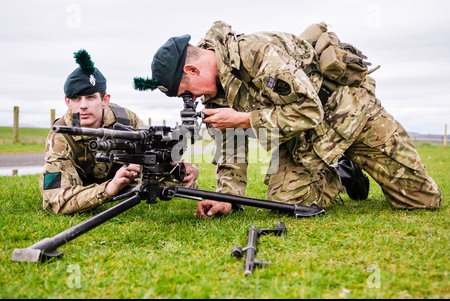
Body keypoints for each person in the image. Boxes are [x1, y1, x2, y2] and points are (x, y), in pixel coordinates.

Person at [134, 21, 441, 218]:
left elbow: (310, 110)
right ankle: (342, 171)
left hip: (349, 114)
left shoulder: (257, 53)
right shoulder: (216, 92)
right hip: (305, 138)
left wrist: (244, 119)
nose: (194, 99)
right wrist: (226, 197)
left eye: (187, 91)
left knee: (422, 201)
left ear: (192, 70)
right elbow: (231, 147)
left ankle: (351, 156)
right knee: (286, 205)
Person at [40, 49, 199, 215]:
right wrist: (109, 188)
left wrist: (184, 168)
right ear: (68, 102)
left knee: (176, 179)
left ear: (105, 100)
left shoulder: (126, 119)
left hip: (123, 181)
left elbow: (153, 153)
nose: (83, 105)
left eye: (90, 97)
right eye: (76, 98)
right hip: (82, 187)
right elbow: (55, 200)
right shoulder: (60, 136)